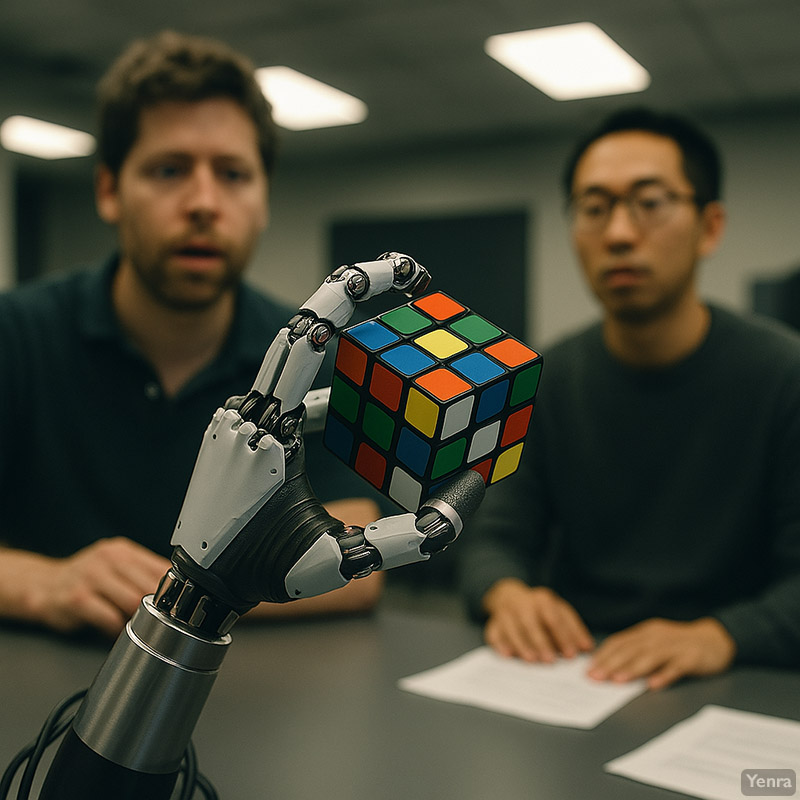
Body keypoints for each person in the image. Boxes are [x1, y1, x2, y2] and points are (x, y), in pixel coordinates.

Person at [0, 30, 384, 638]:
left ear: (262, 199)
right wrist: (43, 584)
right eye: (170, 169)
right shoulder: (16, 335)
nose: (204, 202)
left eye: (232, 174)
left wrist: (180, 597)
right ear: (108, 190)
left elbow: (358, 551)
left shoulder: (312, 352)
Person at [459, 107, 800, 689]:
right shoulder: (544, 379)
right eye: (594, 209)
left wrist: (722, 635)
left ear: (709, 226)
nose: (618, 233)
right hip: (578, 670)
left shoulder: (783, 376)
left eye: (650, 203)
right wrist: (508, 593)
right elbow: (493, 538)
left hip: (734, 680)